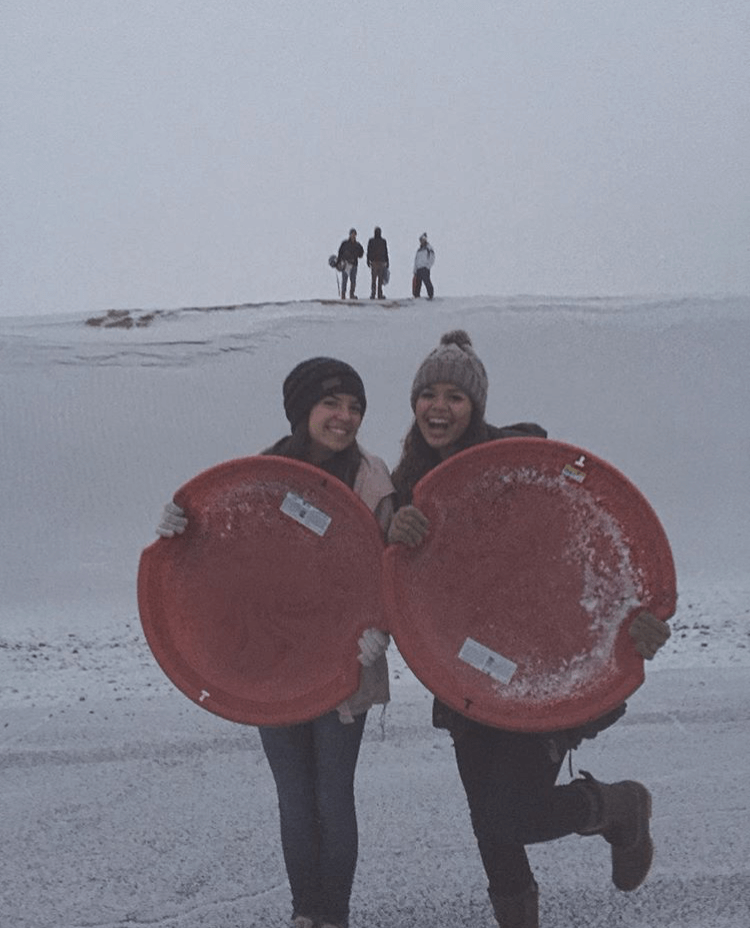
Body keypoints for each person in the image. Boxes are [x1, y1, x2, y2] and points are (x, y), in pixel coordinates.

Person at [387, 330, 672, 928]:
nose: (439, 408)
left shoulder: (523, 466)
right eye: (427, 395)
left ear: (476, 407)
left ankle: (619, 806)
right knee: (486, 819)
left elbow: (586, 548)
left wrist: (636, 617)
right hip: (463, 667)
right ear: (414, 402)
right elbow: (394, 574)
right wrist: (395, 527)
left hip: (539, 665)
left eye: (454, 397)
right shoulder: (408, 482)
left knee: (509, 814)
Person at [157, 357, 395, 928]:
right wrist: (178, 529)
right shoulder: (261, 473)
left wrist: (380, 631)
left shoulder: (371, 478)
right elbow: (227, 555)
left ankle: (333, 915)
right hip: (270, 658)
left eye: (356, 406)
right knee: (294, 793)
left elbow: (391, 570)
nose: (345, 417)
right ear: (302, 409)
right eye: (332, 404)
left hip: (345, 659)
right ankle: (304, 913)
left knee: (333, 793)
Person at [337, 229, 364, 300]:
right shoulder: (345, 244)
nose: (353, 236)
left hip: (354, 264)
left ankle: (352, 294)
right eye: (352, 234)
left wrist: (359, 253)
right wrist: (338, 262)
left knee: (353, 280)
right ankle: (343, 295)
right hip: (346, 264)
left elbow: (361, 254)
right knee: (344, 280)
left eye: (354, 234)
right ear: (350, 235)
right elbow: (340, 253)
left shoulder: (357, 245)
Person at [366, 226, 390, 300]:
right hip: (378, 262)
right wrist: (387, 261)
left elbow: (385, 251)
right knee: (377, 279)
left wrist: (368, 260)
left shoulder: (376, 241)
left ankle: (375, 293)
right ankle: (377, 294)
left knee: (377, 279)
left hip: (377, 262)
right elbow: (369, 251)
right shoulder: (381, 241)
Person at [412, 232, 435, 299]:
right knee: (418, 284)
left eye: (422, 240)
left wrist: (428, 266)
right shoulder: (419, 250)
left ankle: (430, 294)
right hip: (418, 268)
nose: (421, 241)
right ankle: (416, 295)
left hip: (425, 268)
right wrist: (415, 270)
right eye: (420, 240)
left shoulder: (429, 248)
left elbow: (432, 258)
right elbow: (416, 260)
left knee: (427, 281)